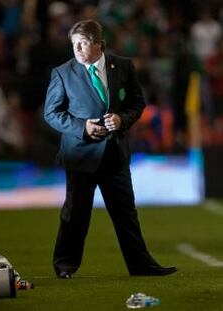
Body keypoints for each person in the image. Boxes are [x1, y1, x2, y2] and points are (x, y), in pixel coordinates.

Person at [44, 19, 177, 278]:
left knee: (126, 214)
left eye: (83, 43)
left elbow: (137, 103)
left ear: (99, 44)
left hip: (114, 154)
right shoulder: (62, 73)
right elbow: (51, 113)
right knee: (75, 215)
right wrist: (83, 127)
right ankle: (64, 267)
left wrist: (121, 120)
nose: (78, 49)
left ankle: (141, 266)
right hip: (80, 155)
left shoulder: (124, 66)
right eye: (74, 44)